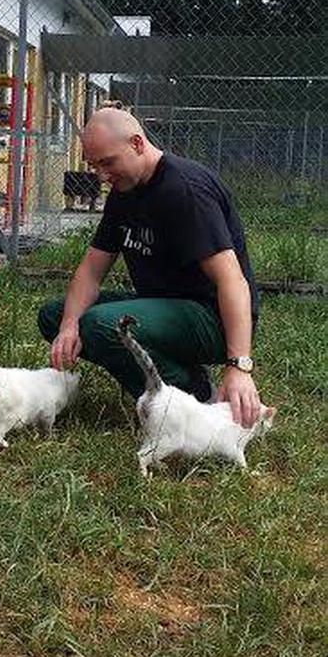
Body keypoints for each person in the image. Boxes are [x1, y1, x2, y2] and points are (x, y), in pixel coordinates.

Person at [38, 105, 262, 427]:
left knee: (105, 325)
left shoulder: (185, 189)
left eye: (107, 162)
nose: (101, 175)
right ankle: (184, 377)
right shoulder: (123, 192)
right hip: (168, 308)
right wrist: (69, 324)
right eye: (93, 165)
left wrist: (239, 364)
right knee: (55, 317)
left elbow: (232, 281)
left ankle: (192, 403)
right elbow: (90, 270)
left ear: (137, 144)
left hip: (212, 317)